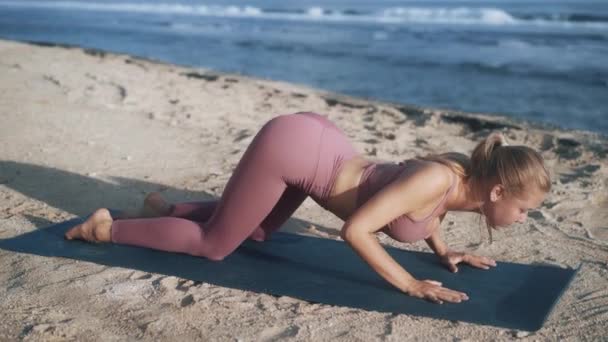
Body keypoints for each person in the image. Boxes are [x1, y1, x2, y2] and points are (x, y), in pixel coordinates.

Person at [65, 111, 550, 304]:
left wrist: (444, 251)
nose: (525, 219)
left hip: (317, 153)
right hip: (295, 150)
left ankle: (164, 208)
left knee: (254, 232)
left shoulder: (462, 185)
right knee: (215, 247)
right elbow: (356, 231)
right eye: (526, 209)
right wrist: (409, 282)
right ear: (498, 193)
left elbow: (425, 211)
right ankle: (104, 229)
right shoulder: (440, 176)